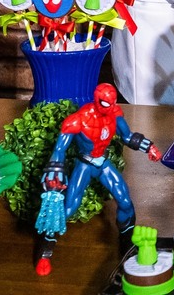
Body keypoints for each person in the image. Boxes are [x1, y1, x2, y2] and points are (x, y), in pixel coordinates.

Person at [34, 83, 161, 276]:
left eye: (113, 103)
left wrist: (149, 147)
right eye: (106, 103)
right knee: (68, 208)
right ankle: (45, 250)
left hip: (103, 163)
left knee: (125, 201)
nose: (110, 107)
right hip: (84, 165)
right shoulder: (78, 120)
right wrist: (55, 173)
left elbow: (127, 137)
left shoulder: (115, 114)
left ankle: (127, 243)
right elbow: (59, 150)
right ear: (97, 100)